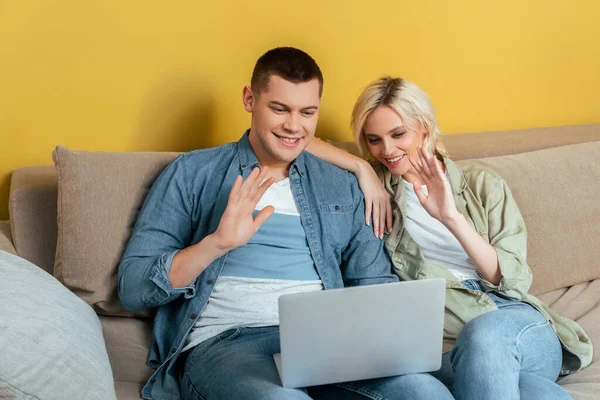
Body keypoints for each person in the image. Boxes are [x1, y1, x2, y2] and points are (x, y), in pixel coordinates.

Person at [118, 48, 454, 400]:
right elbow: (133, 288)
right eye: (279, 109)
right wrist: (216, 243)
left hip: (327, 346)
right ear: (250, 99)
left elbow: (375, 285)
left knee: (422, 391)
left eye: (307, 112)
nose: (294, 126)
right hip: (228, 345)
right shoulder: (192, 173)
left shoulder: (339, 186)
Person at [307, 76, 593, 399]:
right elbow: (300, 139)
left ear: (425, 128)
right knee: (539, 395)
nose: (386, 150)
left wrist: (450, 217)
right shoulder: (376, 191)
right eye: (374, 140)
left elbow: (513, 281)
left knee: (485, 336)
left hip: (512, 322)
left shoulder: (483, 184)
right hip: (443, 341)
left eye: (398, 134)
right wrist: (361, 168)